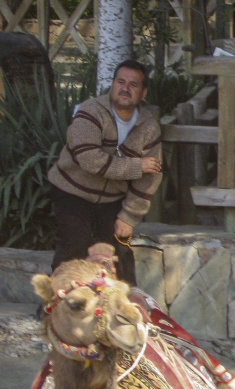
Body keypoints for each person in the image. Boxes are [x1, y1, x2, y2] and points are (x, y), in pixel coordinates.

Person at [47, 59, 162, 285]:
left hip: (113, 198)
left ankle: (127, 308)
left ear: (143, 93)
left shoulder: (149, 127)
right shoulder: (90, 112)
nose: (125, 88)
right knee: (74, 245)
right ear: (112, 85)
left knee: (122, 248)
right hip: (72, 190)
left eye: (133, 84)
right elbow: (90, 161)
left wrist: (129, 216)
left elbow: (152, 175)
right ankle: (53, 304)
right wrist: (136, 166)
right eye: (120, 82)